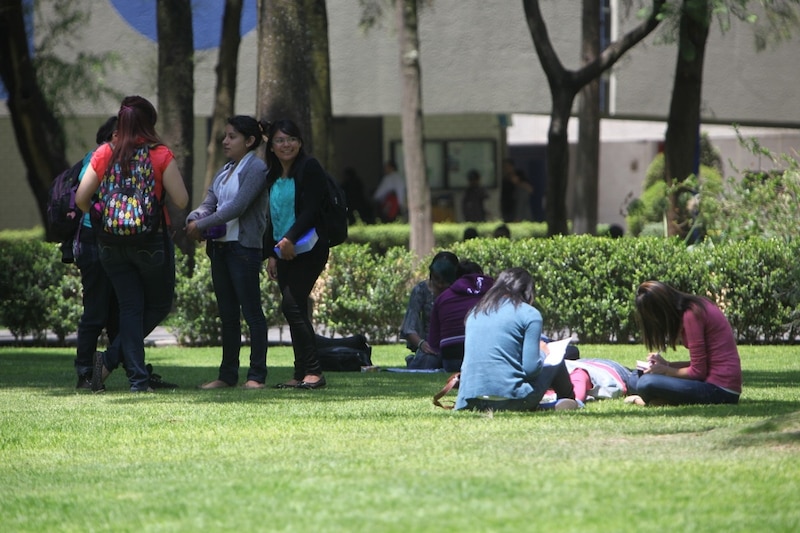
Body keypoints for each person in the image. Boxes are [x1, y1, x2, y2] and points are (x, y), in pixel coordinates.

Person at [76, 95, 189, 393]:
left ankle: (133, 376)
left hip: (110, 244)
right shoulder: (159, 154)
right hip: (151, 240)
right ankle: (118, 363)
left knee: (130, 308)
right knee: (160, 303)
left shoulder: (104, 153)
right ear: (148, 123)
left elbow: (81, 199)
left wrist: (104, 217)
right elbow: (181, 200)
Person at [185, 116, 270, 390]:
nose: (225, 141)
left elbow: (237, 207)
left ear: (249, 141)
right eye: (225, 136)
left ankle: (256, 376)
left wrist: (201, 224)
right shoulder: (226, 170)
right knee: (229, 314)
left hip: (243, 249)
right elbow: (209, 202)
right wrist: (193, 219)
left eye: (232, 136)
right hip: (221, 249)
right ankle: (227, 376)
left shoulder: (256, 168)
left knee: (252, 313)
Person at [263, 119, 330, 390]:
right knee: (296, 309)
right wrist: (273, 253)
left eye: (291, 139)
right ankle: (300, 372)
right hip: (284, 251)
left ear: (300, 143)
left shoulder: (309, 167)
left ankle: (315, 372)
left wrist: (290, 238)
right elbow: (272, 218)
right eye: (280, 140)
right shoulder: (272, 175)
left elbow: (311, 209)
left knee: (291, 305)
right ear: (272, 146)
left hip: (309, 248)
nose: (286, 144)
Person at [455, 267, 580, 411]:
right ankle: (569, 399)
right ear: (527, 291)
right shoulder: (529, 314)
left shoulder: (475, 312)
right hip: (513, 399)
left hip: (471, 400)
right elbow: (530, 369)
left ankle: (557, 404)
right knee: (556, 356)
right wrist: (543, 352)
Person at [627, 280, 742, 406]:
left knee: (646, 383)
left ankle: (651, 401)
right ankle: (662, 400)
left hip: (720, 390)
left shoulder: (692, 314)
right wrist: (666, 364)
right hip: (708, 381)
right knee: (635, 378)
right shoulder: (694, 307)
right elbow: (703, 364)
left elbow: (698, 372)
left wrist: (665, 370)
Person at [72, 116, 120, 389]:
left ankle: (131, 369)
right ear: (115, 135)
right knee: (95, 310)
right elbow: (84, 195)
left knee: (117, 310)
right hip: (93, 239)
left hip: (113, 239)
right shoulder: (99, 156)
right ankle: (85, 372)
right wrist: (104, 216)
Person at [427, 261, 494, 372]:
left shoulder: (442, 298)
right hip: (485, 359)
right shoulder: (494, 295)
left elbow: (433, 343)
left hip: (451, 360)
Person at [400, 251, 459, 369]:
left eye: (444, 281)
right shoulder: (421, 290)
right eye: (436, 280)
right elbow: (408, 327)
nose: (440, 285)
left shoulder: (459, 290)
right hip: (431, 345)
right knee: (428, 363)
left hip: (454, 344)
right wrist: (422, 344)